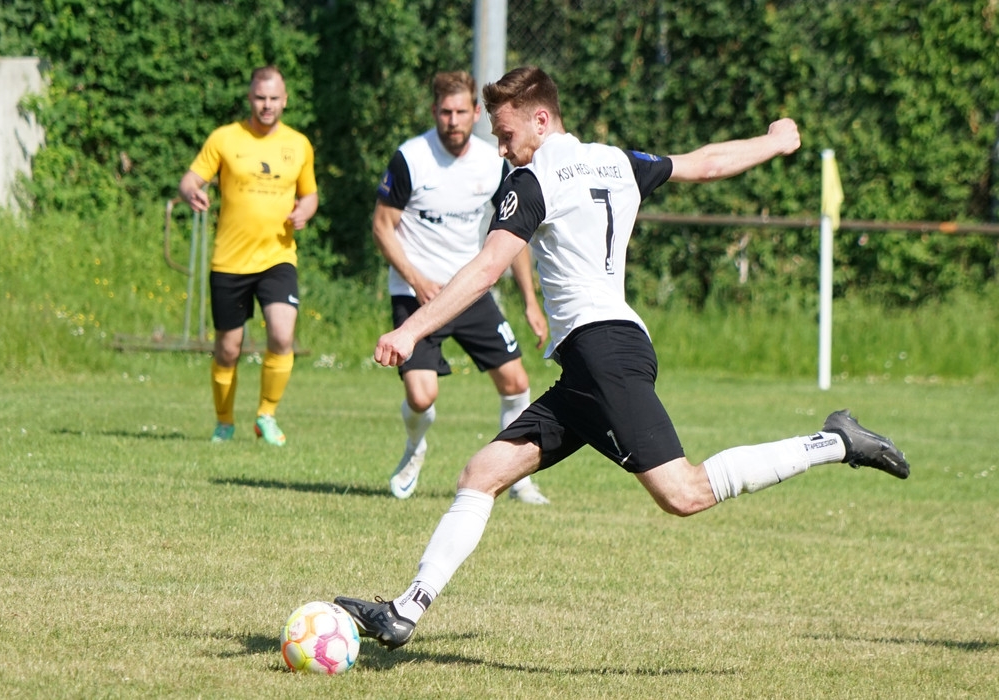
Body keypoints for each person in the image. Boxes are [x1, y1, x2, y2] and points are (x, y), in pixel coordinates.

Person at [334, 66, 910, 649]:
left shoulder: (532, 180)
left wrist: (411, 330)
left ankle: (835, 441)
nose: (501, 149)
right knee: (481, 474)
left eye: (505, 135)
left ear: (541, 119)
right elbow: (706, 163)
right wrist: (774, 142)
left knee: (684, 492)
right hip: (597, 356)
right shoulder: (616, 161)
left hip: (602, 352)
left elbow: (486, 269)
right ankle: (405, 611)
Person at [373, 70, 551, 504]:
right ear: (434, 111)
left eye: (460, 112)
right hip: (416, 295)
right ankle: (415, 447)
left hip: (469, 292)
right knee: (422, 396)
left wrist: (530, 302)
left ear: (475, 112)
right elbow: (381, 226)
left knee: (516, 381)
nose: (452, 121)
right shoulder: (411, 158)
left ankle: (519, 481)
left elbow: (514, 236)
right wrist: (416, 279)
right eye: (444, 112)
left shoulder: (493, 162)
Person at [178, 65, 317, 446]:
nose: (267, 105)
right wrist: (191, 192)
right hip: (230, 260)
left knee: (282, 334)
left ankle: (266, 415)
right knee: (228, 349)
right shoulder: (225, 138)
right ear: (250, 98)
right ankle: (224, 421)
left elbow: (310, 194)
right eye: (260, 98)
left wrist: (305, 211)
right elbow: (190, 179)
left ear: (284, 100)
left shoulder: (299, 144)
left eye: (274, 98)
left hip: (278, 257)